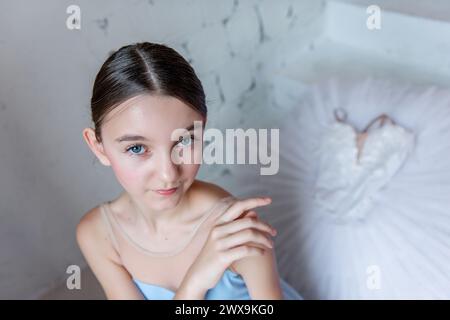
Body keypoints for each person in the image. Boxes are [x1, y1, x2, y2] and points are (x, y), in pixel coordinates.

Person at [76, 42, 302, 300]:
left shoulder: (236, 231)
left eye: (184, 141)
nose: (168, 174)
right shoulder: (98, 234)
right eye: (137, 148)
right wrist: (196, 281)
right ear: (99, 147)